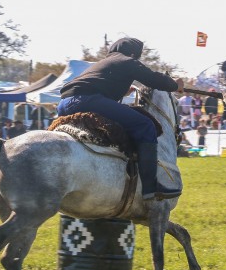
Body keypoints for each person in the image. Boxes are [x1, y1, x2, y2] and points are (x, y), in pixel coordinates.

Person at [57, 37, 184, 201]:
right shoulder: (127, 61)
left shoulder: (104, 62)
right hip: (88, 101)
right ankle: (150, 188)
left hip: (64, 104)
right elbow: (153, 79)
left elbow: (96, 84)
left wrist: (121, 90)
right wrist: (175, 84)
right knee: (145, 125)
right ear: (132, 53)